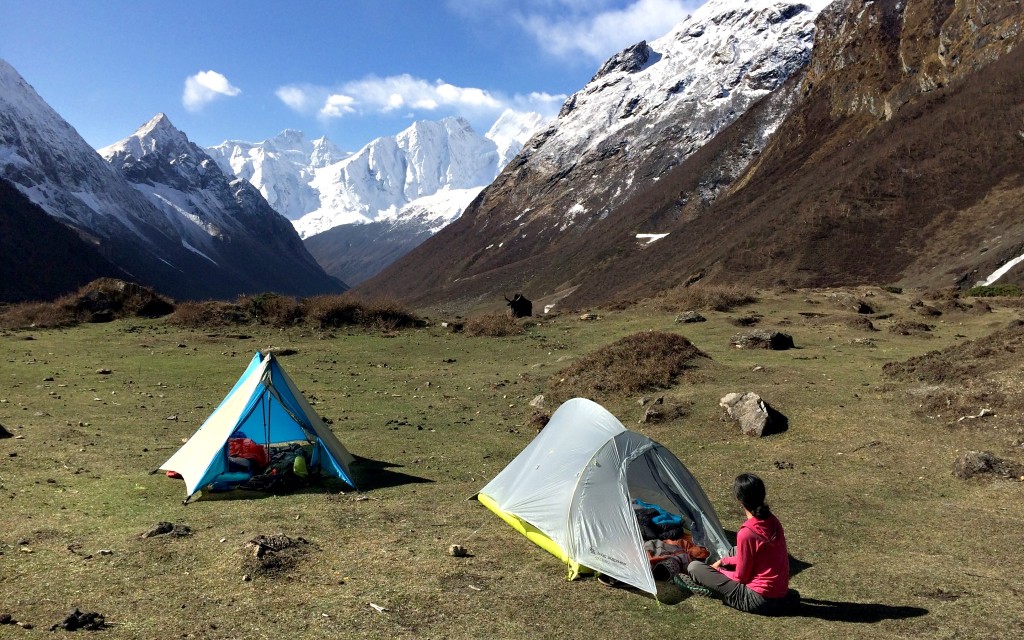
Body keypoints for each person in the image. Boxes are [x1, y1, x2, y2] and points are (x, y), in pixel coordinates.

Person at [679, 473, 791, 614]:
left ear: (739, 499)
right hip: (780, 591)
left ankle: (714, 587)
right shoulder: (772, 520)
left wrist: (717, 570)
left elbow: (740, 578)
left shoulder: (747, 532)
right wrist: (724, 560)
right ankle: (720, 579)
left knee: (694, 567)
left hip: (757, 599)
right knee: (734, 551)